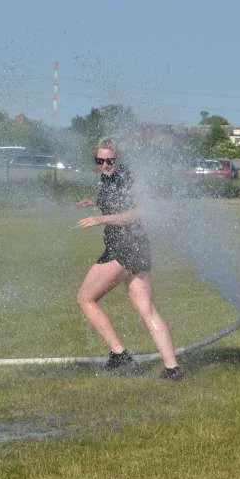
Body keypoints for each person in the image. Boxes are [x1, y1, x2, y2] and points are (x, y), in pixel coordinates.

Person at [75, 138, 182, 380]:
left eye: (109, 161)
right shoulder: (109, 178)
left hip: (123, 249)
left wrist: (100, 219)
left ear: (118, 159)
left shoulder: (125, 178)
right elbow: (116, 202)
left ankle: (120, 354)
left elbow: (137, 212)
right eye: (99, 161)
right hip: (138, 250)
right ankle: (172, 368)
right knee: (147, 311)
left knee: (85, 299)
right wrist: (94, 203)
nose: (104, 165)